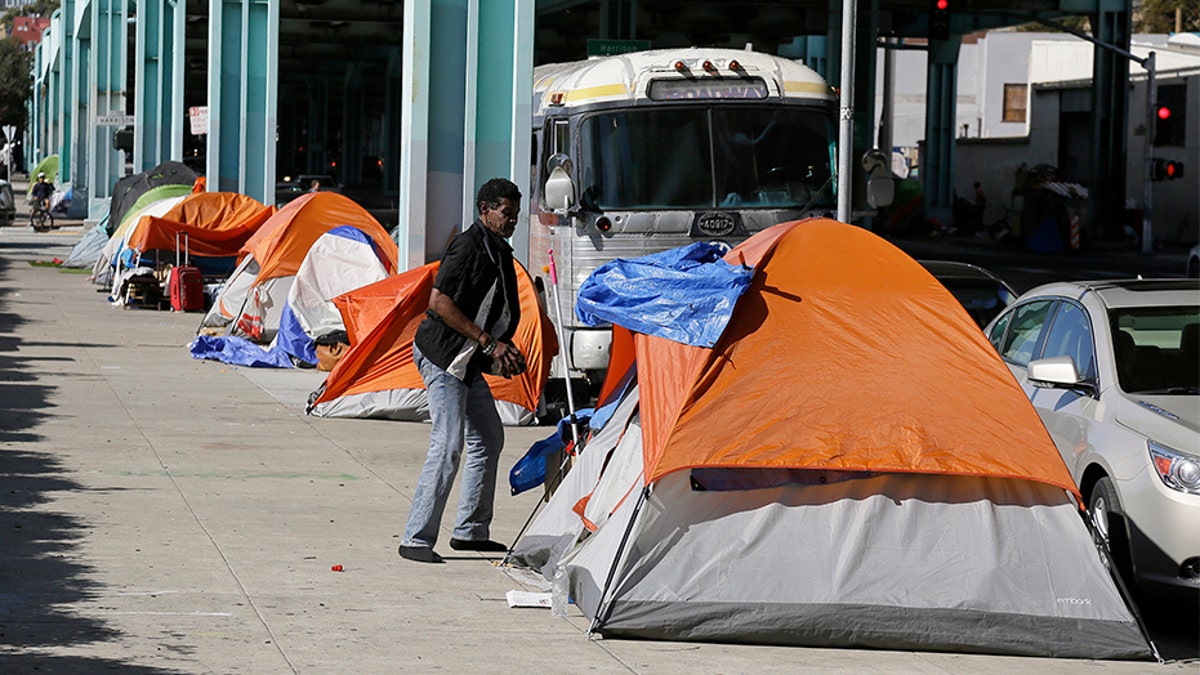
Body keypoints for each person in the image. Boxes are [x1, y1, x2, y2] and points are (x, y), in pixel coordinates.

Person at [399, 177, 527, 564]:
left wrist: (501, 352)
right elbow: (439, 302)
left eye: (516, 215)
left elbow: (496, 311)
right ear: (484, 210)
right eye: (507, 213)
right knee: (449, 443)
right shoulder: (468, 246)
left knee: (488, 437)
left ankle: (470, 532)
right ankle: (415, 539)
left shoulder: (499, 251)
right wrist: (488, 343)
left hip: (467, 360)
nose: (512, 221)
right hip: (443, 357)